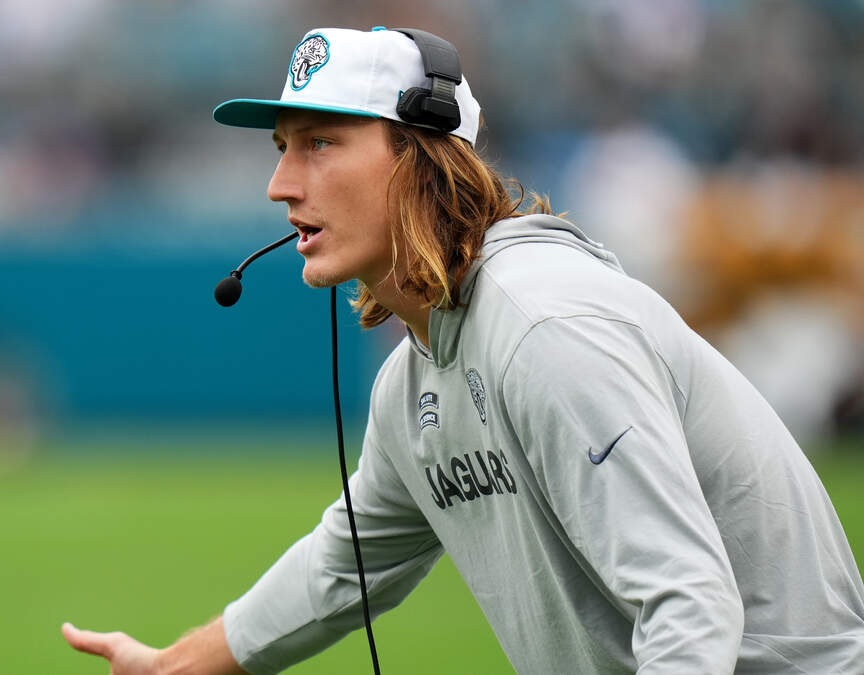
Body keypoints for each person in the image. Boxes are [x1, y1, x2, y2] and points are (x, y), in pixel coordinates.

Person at [62, 27, 864, 674]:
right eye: (282, 146)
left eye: (321, 143)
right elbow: (340, 569)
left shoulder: (546, 326)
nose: (280, 183)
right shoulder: (416, 377)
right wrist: (172, 664)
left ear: (420, 158)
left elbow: (689, 603)